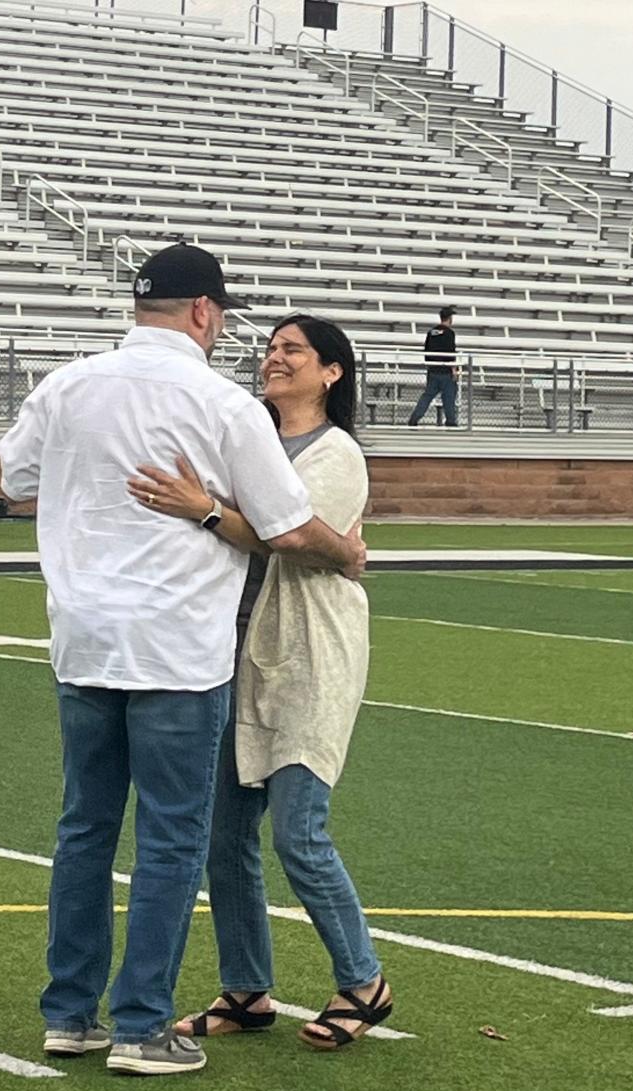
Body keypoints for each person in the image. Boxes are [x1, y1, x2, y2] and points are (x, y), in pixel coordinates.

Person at [0, 243, 367, 1077]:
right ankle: (140, 1024)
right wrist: (344, 551)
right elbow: (284, 525)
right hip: (178, 644)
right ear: (204, 311)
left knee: (85, 825)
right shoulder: (222, 403)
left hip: (85, 633)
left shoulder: (68, 384)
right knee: (170, 836)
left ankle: (70, 1013)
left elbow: (14, 477)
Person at [128, 314, 391, 1051]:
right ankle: (247, 987)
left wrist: (208, 509)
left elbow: (292, 534)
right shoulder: (248, 437)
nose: (274, 359)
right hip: (230, 651)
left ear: (331, 371)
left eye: (293, 351)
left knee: (299, 829)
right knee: (226, 834)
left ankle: (363, 979)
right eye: (271, 349)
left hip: (309, 652)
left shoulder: (336, 452)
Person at [407, 306, 458, 427]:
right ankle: (451, 421)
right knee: (449, 397)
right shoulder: (450, 333)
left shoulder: (431, 332)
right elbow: (451, 353)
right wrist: (454, 369)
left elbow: (426, 351)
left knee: (427, 396)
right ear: (449, 319)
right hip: (445, 371)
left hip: (433, 369)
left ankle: (414, 418)